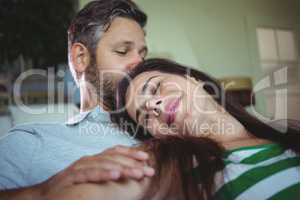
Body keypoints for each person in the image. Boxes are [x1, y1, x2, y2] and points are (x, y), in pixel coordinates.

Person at [51, 58, 300, 200]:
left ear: (193, 79)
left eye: (156, 87)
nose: (153, 105)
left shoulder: (286, 134)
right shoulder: (173, 167)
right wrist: (39, 193)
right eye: (144, 115)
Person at [0, 1, 155, 199]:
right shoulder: (30, 142)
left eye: (143, 55)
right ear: (81, 57)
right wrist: (41, 192)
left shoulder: (162, 128)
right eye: (123, 51)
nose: (140, 63)